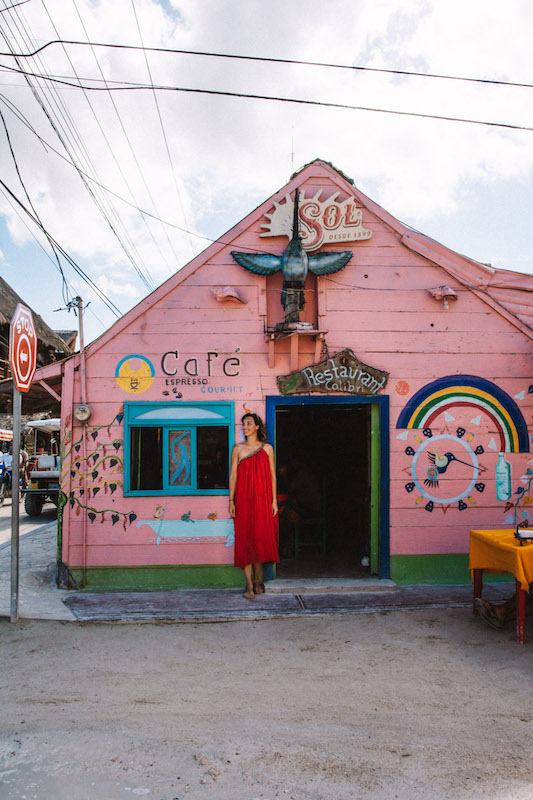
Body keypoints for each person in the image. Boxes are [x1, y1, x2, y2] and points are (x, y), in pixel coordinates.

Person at [229, 413, 279, 600]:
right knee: (245, 540)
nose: (245, 427)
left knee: (259, 539)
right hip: (243, 500)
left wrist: (273, 501)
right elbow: (233, 476)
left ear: (257, 427)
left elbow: (273, 476)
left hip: (262, 499)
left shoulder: (267, 449)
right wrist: (231, 500)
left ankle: (258, 579)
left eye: (249, 424)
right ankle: (249, 584)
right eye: (243, 424)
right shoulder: (238, 449)